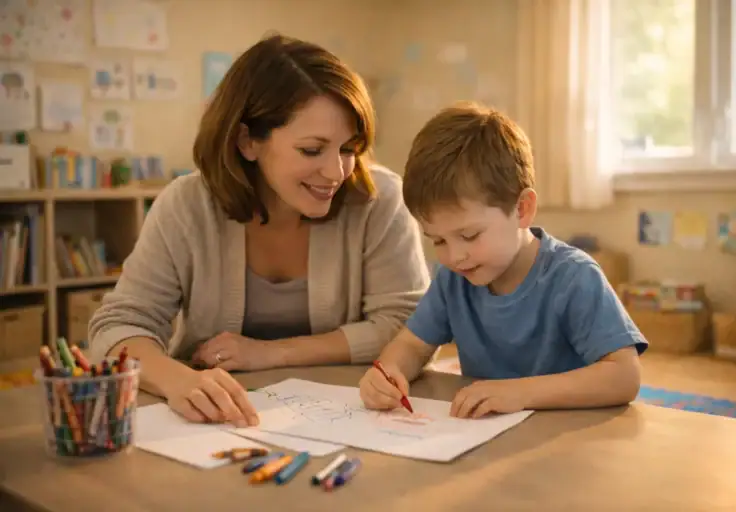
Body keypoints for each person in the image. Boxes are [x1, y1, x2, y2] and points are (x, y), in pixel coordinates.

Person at [88, 33, 430, 427]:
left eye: (348, 148)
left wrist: (269, 352)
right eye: (312, 150)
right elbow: (118, 326)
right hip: (217, 424)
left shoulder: (379, 200)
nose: (336, 172)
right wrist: (176, 380)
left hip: (349, 420)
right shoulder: (186, 206)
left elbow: (409, 327)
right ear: (247, 141)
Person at [359, 101, 648, 418]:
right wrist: (388, 372)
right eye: (438, 240)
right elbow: (412, 345)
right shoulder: (454, 280)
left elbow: (625, 375)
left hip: (567, 434)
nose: (454, 256)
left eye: (469, 235)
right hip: (489, 435)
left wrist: (521, 393)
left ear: (522, 209)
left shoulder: (574, 277)